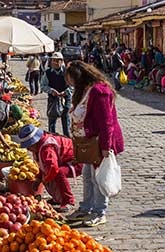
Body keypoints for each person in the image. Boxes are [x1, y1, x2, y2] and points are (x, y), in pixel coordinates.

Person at [64, 61, 125, 227]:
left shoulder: (99, 92)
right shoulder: (84, 90)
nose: (69, 82)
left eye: (71, 79)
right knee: (87, 176)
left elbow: (107, 123)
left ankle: (99, 211)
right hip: (89, 142)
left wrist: (105, 147)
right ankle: (86, 207)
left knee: (97, 178)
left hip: (100, 142)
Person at [16, 125, 81, 210]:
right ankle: (58, 198)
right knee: (49, 174)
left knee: (59, 173)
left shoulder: (47, 148)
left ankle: (69, 201)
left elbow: (53, 168)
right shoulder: (39, 147)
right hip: (64, 161)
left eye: (29, 146)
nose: (28, 149)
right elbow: (43, 165)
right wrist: (38, 179)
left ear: (35, 142)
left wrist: (43, 180)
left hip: (79, 161)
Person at [42, 52, 73, 136]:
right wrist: (51, 90)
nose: (55, 63)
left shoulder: (67, 72)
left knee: (65, 119)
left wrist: (66, 92)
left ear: (62, 61)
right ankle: (52, 137)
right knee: (52, 119)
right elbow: (43, 85)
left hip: (66, 98)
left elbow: (73, 85)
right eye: (53, 61)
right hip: (53, 98)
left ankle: (67, 138)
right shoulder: (48, 72)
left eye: (57, 61)